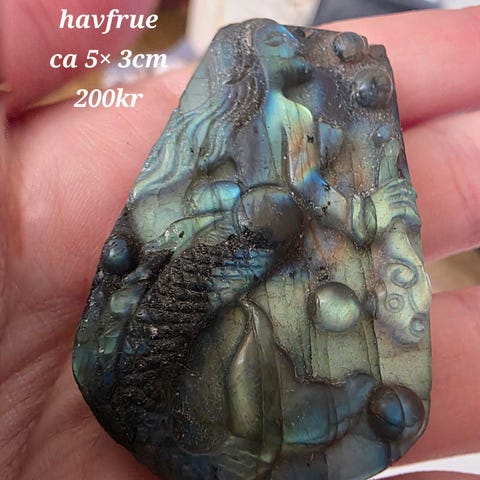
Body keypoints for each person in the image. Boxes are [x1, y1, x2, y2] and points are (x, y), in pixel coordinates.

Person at [1, 2, 479, 479]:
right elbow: (304, 189)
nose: (289, 46)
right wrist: (364, 215)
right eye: (274, 44)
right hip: (249, 236)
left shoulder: (282, 116)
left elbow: (299, 187)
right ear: (253, 65)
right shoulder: (268, 118)